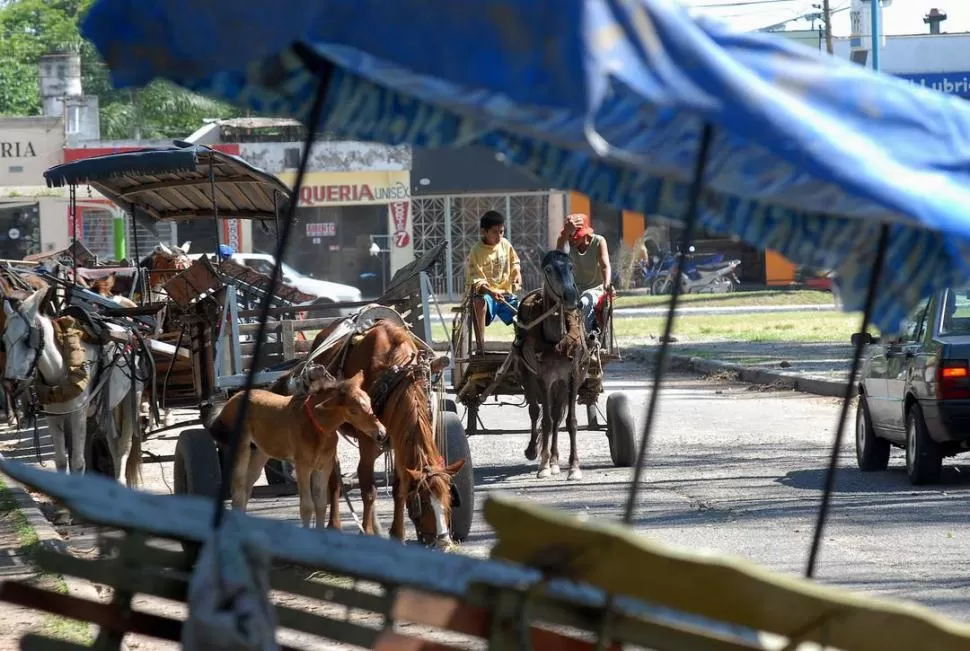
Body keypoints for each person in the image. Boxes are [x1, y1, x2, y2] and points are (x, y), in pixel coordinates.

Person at [465, 210, 523, 353]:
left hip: (505, 294)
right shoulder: (476, 251)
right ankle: (481, 347)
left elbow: (515, 262)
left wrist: (517, 273)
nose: (499, 236)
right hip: (486, 295)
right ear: (484, 232)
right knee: (479, 303)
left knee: (527, 310)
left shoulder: (505, 244)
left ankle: (521, 346)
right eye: (495, 232)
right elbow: (476, 280)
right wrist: (490, 292)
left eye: (502, 232)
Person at [556, 212, 614, 335]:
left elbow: (605, 266)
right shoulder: (567, 242)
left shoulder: (598, 241)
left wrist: (607, 285)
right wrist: (566, 233)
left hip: (595, 290)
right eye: (570, 237)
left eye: (575, 237)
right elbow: (557, 255)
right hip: (574, 290)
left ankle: (584, 336)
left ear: (585, 234)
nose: (571, 240)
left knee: (584, 303)